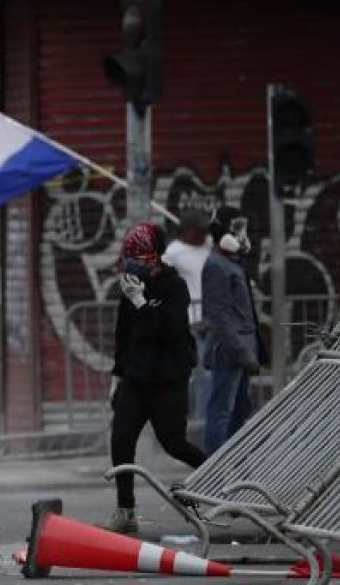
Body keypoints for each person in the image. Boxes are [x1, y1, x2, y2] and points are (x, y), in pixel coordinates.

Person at [108, 222, 207, 534]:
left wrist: (142, 304)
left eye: (138, 257)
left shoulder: (174, 286)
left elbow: (170, 330)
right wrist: (117, 375)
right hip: (136, 378)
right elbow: (123, 334)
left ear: (153, 257)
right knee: (121, 439)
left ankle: (220, 483)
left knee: (173, 443)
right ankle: (126, 510)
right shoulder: (129, 284)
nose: (132, 264)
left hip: (168, 377)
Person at [202, 206, 263, 453]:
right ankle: (212, 472)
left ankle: (237, 468)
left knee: (240, 410)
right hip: (229, 350)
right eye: (237, 228)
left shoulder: (232, 264)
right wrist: (241, 351)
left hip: (240, 349)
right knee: (221, 412)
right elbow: (220, 316)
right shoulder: (217, 265)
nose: (242, 234)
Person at [161, 211, 213, 422]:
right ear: (188, 231)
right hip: (190, 320)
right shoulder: (173, 252)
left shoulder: (208, 245)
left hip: (211, 319)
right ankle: (200, 419)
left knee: (209, 371)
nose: (204, 235)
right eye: (199, 231)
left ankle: (204, 416)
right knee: (200, 372)